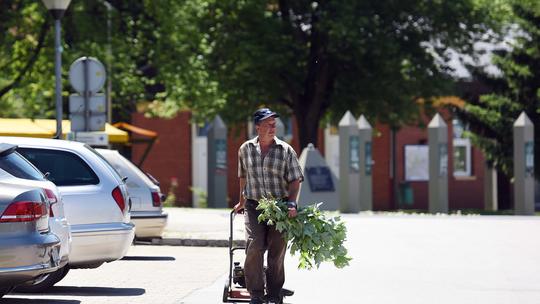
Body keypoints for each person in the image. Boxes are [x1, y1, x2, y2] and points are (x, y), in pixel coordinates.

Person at [234, 108, 304, 304]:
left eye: (274, 124)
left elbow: (295, 180)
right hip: (254, 205)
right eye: (268, 124)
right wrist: (241, 201)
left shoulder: (286, 150)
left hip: (280, 207)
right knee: (254, 245)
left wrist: (292, 202)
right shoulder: (245, 149)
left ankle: (274, 294)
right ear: (258, 127)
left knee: (276, 250)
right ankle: (256, 294)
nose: (273, 127)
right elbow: (243, 176)